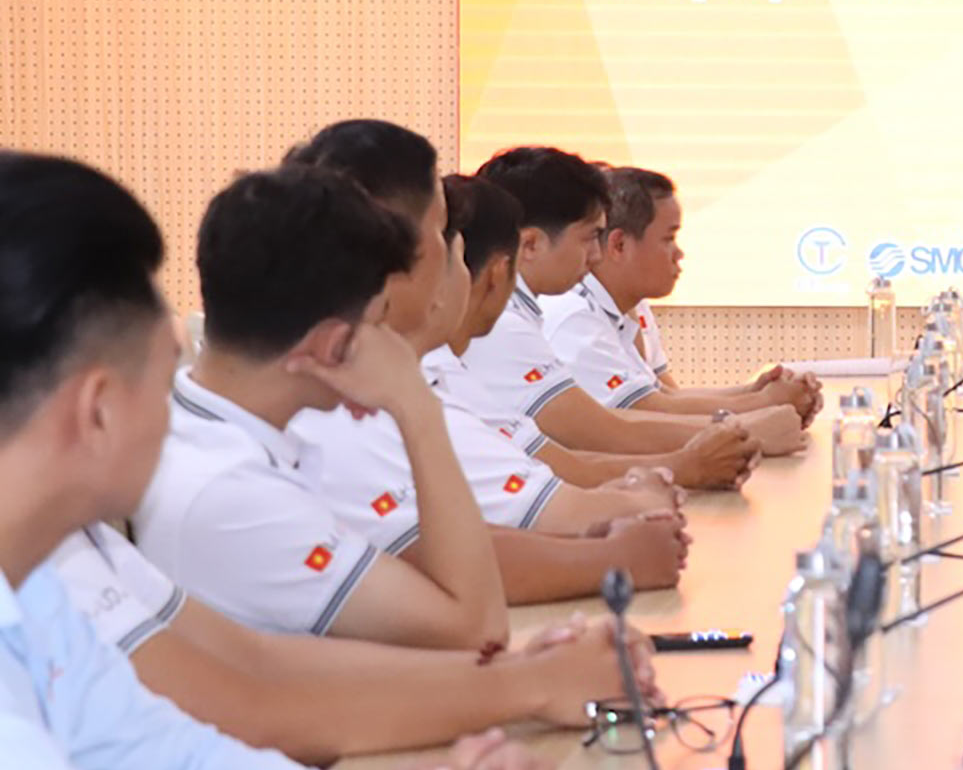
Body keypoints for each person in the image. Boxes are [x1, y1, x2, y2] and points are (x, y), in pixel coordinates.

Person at [0, 151, 555, 770]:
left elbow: (180, 763)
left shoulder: (35, 578)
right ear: (98, 409)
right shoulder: (171, 505)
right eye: (162, 377)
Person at [283, 123, 691, 602]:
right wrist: (623, 539)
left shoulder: (395, 379)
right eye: (446, 234)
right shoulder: (345, 406)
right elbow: (457, 585)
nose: (460, 252)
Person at [133, 164, 511, 650]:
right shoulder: (231, 492)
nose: (394, 345)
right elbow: (477, 631)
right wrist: (418, 408)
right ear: (336, 347)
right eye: (380, 325)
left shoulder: (212, 433)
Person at [49, 520, 654, 765]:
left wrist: (524, 670)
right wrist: (525, 684)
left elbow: (256, 656)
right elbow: (249, 714)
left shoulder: (79, 530)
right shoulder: (220, 483)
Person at [460, 147, 795, 474]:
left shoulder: (523, 313)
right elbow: (600, 431)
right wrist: (747, 427)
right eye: (589, 238)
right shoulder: (522, 322)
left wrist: (748, 410)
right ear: (530, 244)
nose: (595, 255)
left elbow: (648, 402)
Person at [542, 165, 821, 429]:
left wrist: (756, 392)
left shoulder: (615, 309)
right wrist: (763, 405)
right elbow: (641, 416)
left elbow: (663, 396)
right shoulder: (574, 318)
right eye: (668, 238)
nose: (679, 253)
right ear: (619, 244)